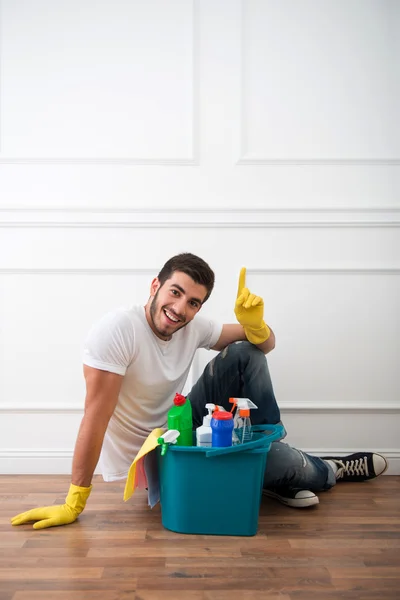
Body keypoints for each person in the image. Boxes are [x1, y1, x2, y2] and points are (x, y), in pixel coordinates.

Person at [11, 253, 388, 530]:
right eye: (174, 293)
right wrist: (75, 500)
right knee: (286, 467)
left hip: (182, 421)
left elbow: (264, 345)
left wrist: (256, 325)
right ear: (155, 286)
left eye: (193, 302)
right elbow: (95, 418)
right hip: (159, 451)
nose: (179, 309)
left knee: (243, 352)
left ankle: (268, 450)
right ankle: (329, 469)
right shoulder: (117, 332)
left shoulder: (191, 327)